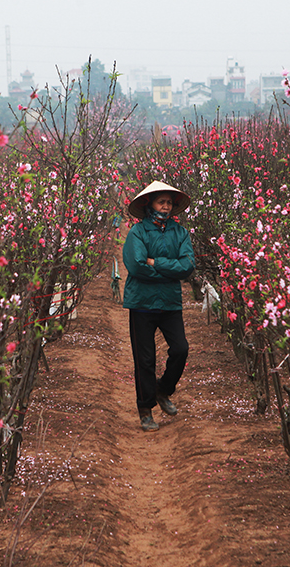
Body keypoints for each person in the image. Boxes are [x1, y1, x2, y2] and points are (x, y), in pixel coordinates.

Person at [122, 181, 195, 432]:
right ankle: (145, 410)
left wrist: (157, 263)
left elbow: (187, 265)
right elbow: (137, 266)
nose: (165, 206)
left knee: (181, 349)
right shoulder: (137, 233)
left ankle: (163, 389)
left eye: (168, 202)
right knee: (145, 359)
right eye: (160, 201)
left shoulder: (180, 233)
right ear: (149, 204)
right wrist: (169, 270)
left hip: (170, 302)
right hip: (141, 303)